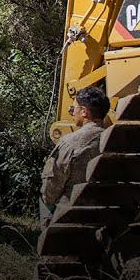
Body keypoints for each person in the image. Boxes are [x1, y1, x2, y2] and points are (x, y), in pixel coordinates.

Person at [40, 85, 109, 230]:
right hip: (105, 216)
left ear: (84, 111)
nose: (71, 112)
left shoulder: (69, 142)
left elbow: (50, 190)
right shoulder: (114, 142)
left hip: (70, 216)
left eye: (73, 108)